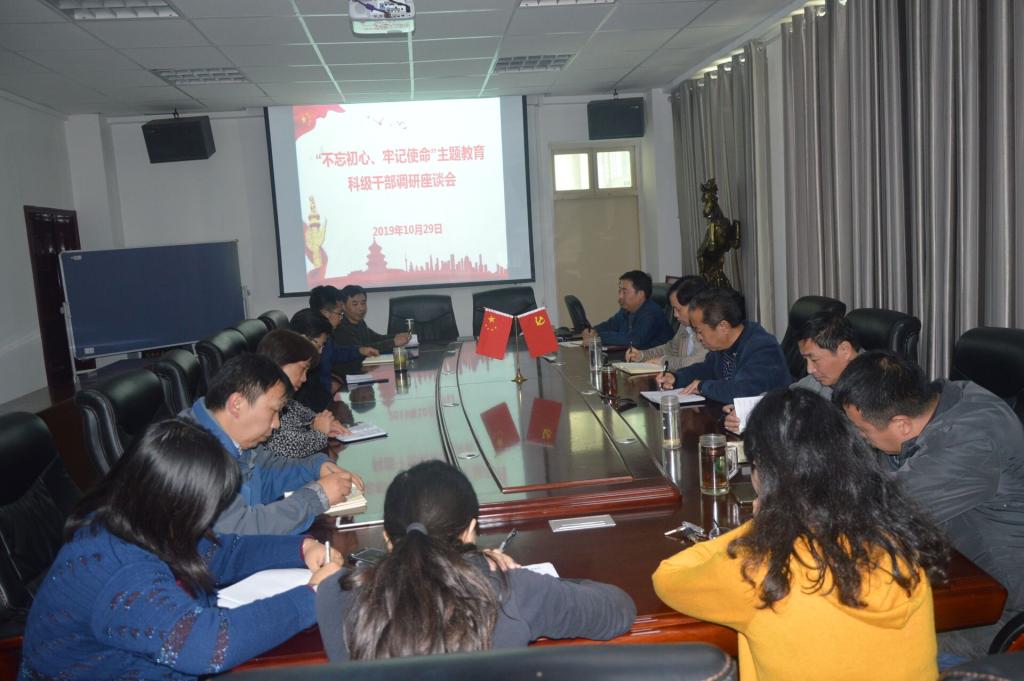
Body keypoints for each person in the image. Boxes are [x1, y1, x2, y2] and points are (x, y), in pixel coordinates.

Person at [653, 389, 948, 681]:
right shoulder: (899, 538)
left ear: (763, 473)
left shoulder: (761, 565)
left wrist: (761, 524)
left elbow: (668, 578)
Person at [19, 419, 342, 681]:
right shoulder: (117, 567)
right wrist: (312, 596)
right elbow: (209, 646)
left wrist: (300, 548)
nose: (208, 520)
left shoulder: (145, 518)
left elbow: (223, 553)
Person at [316, 460, 636, 660]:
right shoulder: (510, 591)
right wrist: (507, 573)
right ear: (470, 531)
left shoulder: (336, 594)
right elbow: (618, 610)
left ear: (387, 538)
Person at [832, 351, 1024, 658]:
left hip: (998, 609)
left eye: (863, 432)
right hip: (952, 565)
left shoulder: (970, 441)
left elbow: (878, 513)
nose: (860, 438)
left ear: (902, 424)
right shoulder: (938, 401)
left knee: (861, 637)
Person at [184, 353, 361, 535]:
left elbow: (269, 473)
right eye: (273, 411)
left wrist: (317, 467)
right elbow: (239, 532)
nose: (276, 424)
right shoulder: (193, 455)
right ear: (237, 404)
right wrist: (315, 497)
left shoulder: (237, 437)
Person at [723, 311, 861, 431]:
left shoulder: (869, 388)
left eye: (814, 359)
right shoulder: (819, 380)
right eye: (806, 360)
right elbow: (786, 398)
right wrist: (746, 410)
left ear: (845, 350)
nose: (810, 369)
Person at [655, 287, 790, 402]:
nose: (698, 337)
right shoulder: (723, 345)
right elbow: (707, 369)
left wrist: (702, 387)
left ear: (723, 327)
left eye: (700, 331)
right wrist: (676, 378)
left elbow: (743, 391)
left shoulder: (762, 348)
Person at [257, 329, 352, 458]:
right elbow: (283, 447)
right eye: (302, 369)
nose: (304, 378)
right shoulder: (261, 400)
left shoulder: (288, 401)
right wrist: (320, 433)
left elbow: (309, 416)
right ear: (280, 362)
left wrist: (323, 422)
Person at [624, 276, 707, 370]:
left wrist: (663, 362)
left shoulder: (709, 330)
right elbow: (670, 349)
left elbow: (695, 363)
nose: (675, 315)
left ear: (695, 305)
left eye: (678, 309)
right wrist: (642, 355)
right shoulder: (685, 326)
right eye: (673, 309)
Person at [580, 270, 673, 350]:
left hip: (655, 361)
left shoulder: (652, 313)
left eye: (624, 292)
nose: (620, 296)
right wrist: (592, 331)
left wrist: (598, 337)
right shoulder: (626, 309)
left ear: (640, 294)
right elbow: (611, 325)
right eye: (619, 291)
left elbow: (634, 340)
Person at [310, 285, 380, 379]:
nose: (341, 319)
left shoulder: (327, 334)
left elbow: (336, 353)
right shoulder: (310, 336)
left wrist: (360, 350)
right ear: (326, 313)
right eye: (340, 314)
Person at [333, 284, 411, 356]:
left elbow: (377, 338)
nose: (361, 308)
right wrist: (393, 342)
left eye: (363, 303)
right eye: (355, 304)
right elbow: (363, 349)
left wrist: (397, 336)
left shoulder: (360, 323)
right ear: (343, 306)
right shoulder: (340, 328)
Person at [288, 307, 334, 411]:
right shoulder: (290, 370)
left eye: (323, 346)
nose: (320, 351)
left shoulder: (308, 366)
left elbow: (322, 395)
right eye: (319, 345)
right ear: (304, 338)